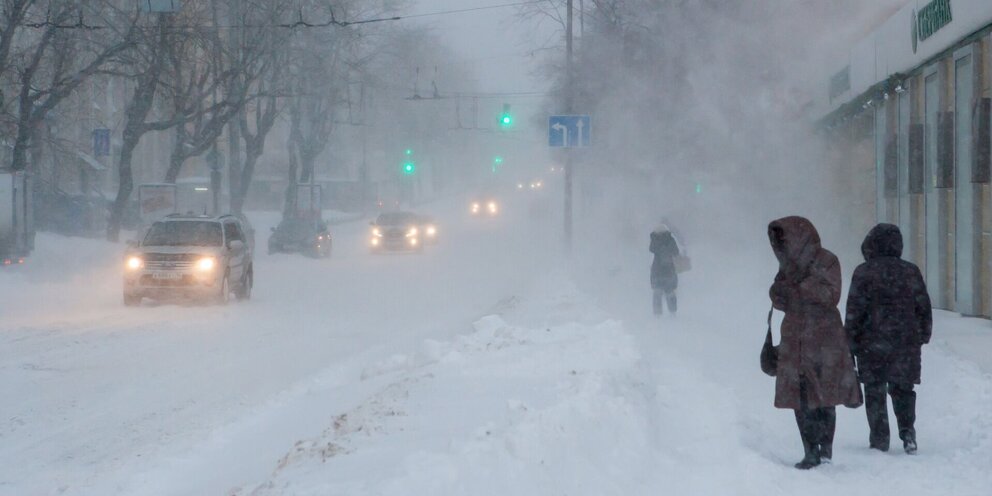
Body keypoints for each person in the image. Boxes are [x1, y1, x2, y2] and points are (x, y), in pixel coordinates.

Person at [768, 216, 862, 469]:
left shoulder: (827, 260)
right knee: (800, 397)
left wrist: (800, 285)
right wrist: (779, 292)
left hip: (824, 337)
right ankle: (810, 451)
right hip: (795, 338)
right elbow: (779, 300)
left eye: (785, 239)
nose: (782, 245)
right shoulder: (787, 266)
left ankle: (826, 448)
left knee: (825, 394)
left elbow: (831, 295)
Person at [844, 223, 932, 455]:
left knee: (875, 389)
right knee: (903, 387)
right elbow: (923, 306)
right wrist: (923, 333)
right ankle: (907, 431)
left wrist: (849, 342)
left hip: (871, 343)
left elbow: (854, 310)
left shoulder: (863, 272)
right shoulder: (910, 271)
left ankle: (879, 438)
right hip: (905, 341)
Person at [650, 226, 680, 316]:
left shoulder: (655, 239)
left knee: (657, 292)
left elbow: (651, 249)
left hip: (657, 271)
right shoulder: (670, 240)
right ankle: (673, 312)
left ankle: (657, 314)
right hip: (669, 270)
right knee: (670, 291)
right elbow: (676, 252)